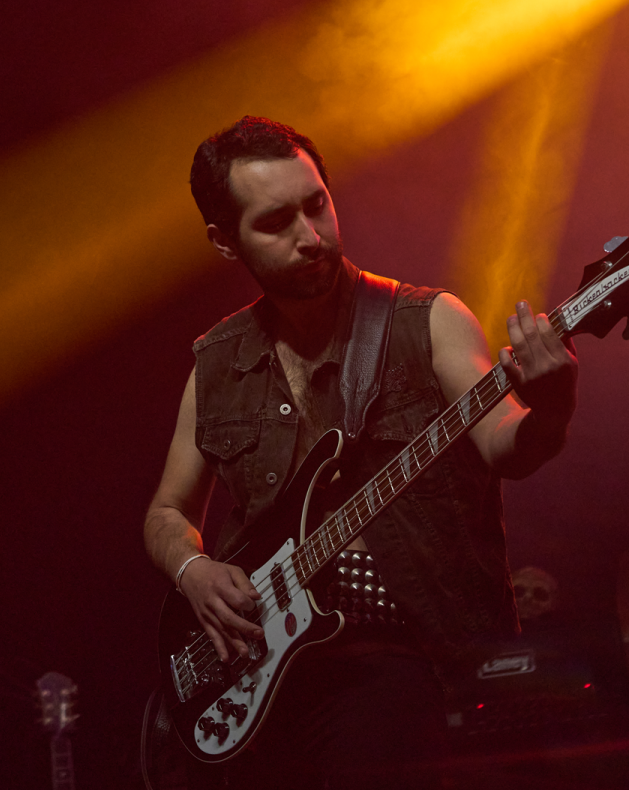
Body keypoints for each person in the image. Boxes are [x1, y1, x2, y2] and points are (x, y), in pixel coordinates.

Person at [143, 116, 578, 788]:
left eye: (316, 204)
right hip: (261, 672)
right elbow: (166, 513)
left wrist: (552, 406)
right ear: (225, 241)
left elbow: (504, 444)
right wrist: (193, 570)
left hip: (404, 657)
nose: (311, 236)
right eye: (276, 222)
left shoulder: (426, 321)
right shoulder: (217, 365)